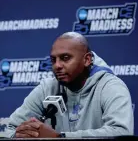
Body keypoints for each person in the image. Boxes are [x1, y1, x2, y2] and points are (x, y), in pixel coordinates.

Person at [6, 32, 134, 138]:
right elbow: (10, 128)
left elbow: (121, 133)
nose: (57, 65)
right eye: (53, 60)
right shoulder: (48, 88)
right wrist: (20, 135)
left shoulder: (111, 86)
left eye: (65, 58)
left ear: (87, 59)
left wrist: (59, 137)